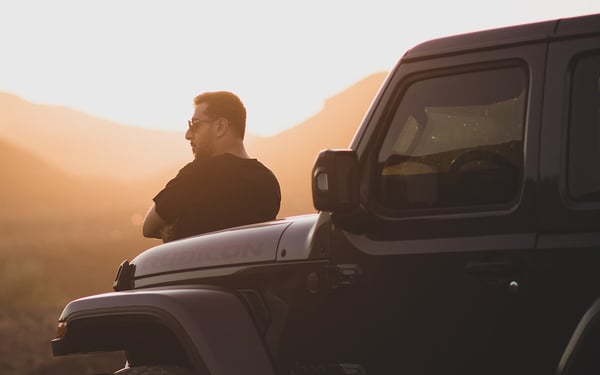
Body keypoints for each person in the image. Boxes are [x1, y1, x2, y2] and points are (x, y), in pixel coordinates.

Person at [143, 91, 281, 242]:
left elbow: (149, 227)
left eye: (194, 124)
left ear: (220, 126)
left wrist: (175, 227)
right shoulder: (268, 181)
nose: (188, 134)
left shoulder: (198, 174)